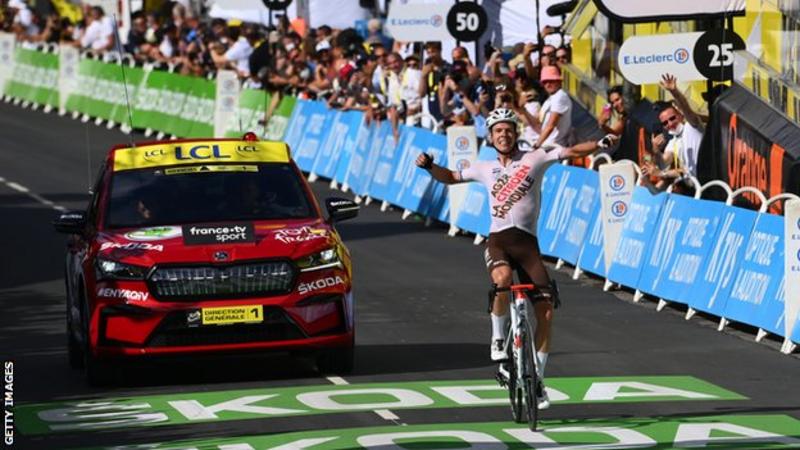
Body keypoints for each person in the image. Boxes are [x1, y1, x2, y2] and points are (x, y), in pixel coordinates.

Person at [414, 108, 614, 409]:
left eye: (508, 130)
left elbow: (572, 150)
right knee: (503, 280)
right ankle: (497, 338)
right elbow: (452, 177)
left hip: (529, 247)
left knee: (546, 312)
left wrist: (599, 145)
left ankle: (538, 383)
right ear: (491, 137)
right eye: (498, 131)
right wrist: (430, 166)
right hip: (499, 243)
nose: (504, 135)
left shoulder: (534, 158)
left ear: (515, 133)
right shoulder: (483, 167)